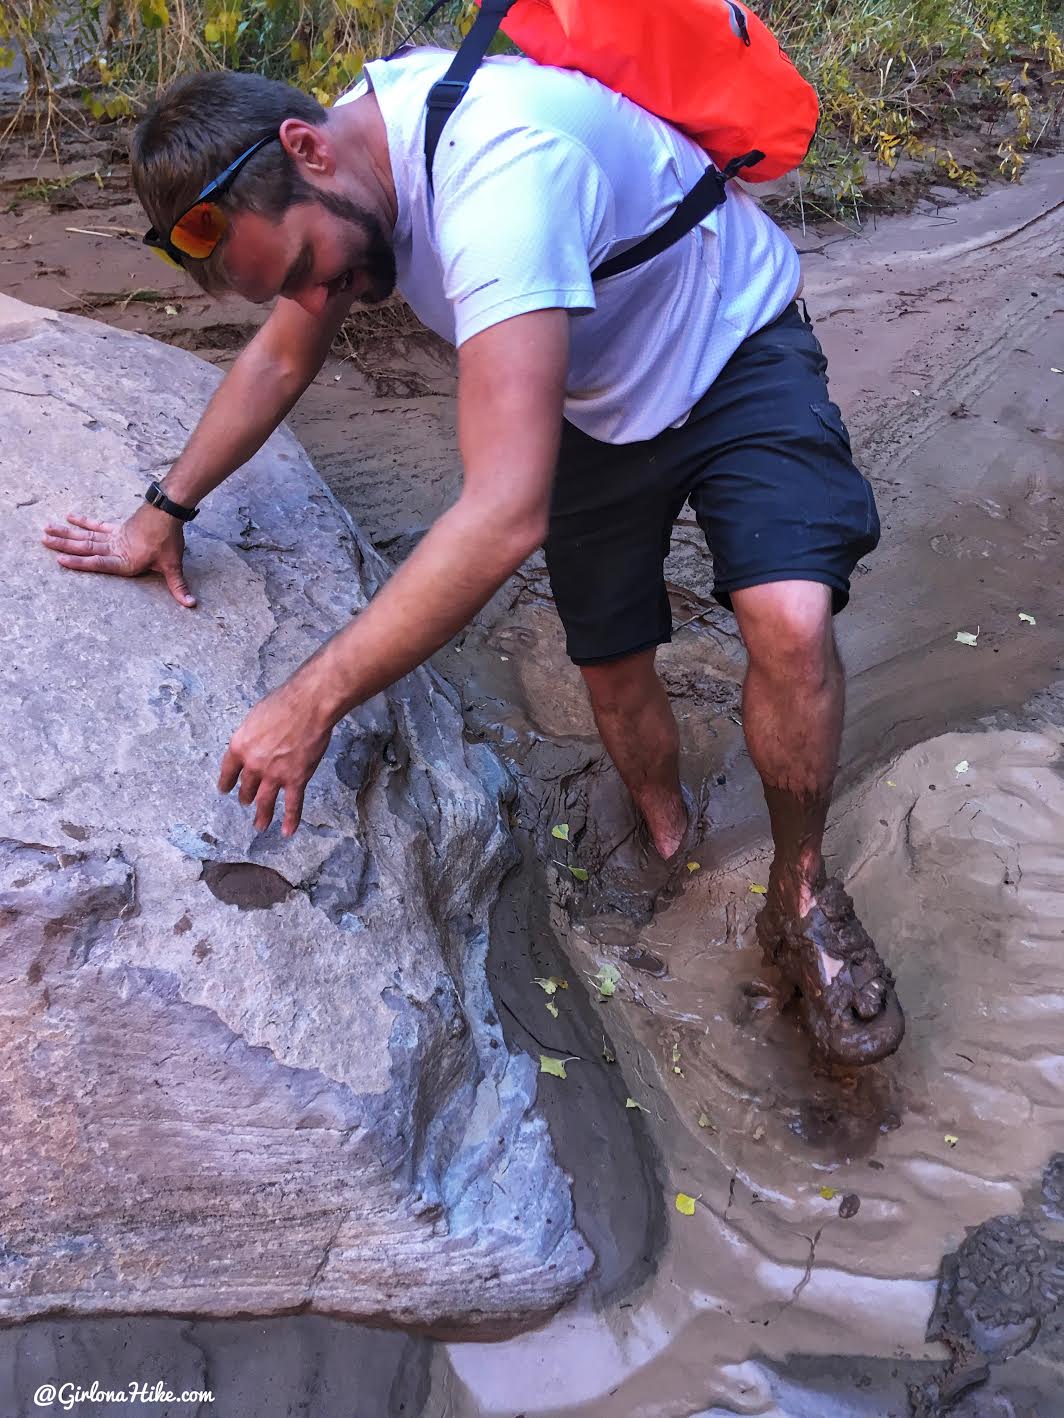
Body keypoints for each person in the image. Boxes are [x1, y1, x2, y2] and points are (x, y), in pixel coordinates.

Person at [41, 48, 904, 1065]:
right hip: (581, 387)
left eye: (306, 268)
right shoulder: (349, 170)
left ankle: (798, 893)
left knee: (788, 622)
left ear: (307, 148)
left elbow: (501, 517)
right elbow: (281, 351)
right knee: (612, 669)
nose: (320, 298)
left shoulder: (497, 174)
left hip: (727, 343)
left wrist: (310, 698)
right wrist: (163, 508)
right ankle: (670, 841)